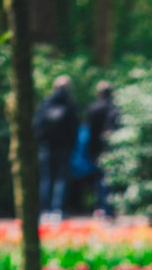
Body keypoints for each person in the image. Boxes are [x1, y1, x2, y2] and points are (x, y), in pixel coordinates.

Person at [33, 75, 79, 220]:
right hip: (64, 147)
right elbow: (74, 129)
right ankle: (57, 210)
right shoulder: (69, 105)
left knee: (46, 178)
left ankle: (45, 210)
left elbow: (36, 125)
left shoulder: (45, 104)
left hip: (46, 146)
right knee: (61, 179)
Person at [86, 80, 119, 218]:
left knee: (98, 179)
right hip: (111, 149)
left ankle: (99, 207)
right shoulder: (115, 108)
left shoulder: (93, 108)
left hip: (96, 149)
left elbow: (89, 131)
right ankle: (108, 208)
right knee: (109, 179)